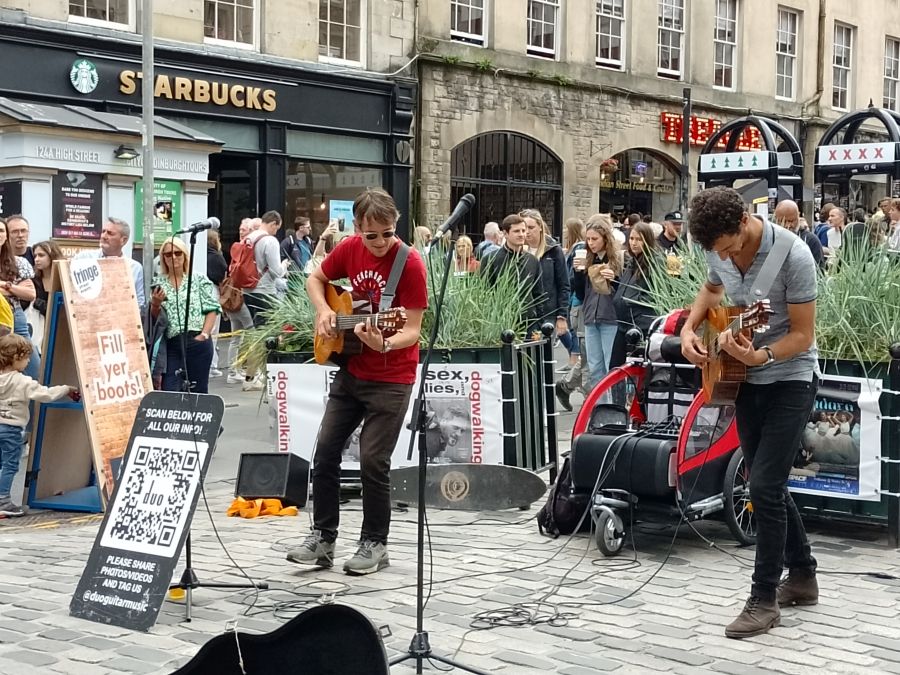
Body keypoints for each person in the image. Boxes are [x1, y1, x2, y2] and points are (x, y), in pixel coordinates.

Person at [679, 186, 818, 640]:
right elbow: (711, 288)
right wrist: (690, 327)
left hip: (790, 377)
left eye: (728, 246)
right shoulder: (718, 249)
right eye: (715, 251)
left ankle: (763, 599)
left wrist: (764, 357)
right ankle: (803, 575)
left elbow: (801, 334)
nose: (724, 255)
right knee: (766, 479)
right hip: (743, 379)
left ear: (743, 222)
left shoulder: (793, 256)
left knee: (762, 484)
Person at [286, 188, 427, 575]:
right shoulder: (349, 248)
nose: (381, 242)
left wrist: (383, 341)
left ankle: (375, 543)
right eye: (373, 235)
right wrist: (324, 313)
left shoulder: (410, 263)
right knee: (326, 451)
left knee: (372, 461)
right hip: (351, 370)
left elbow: (411, 328)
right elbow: (316, 279)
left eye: (388, 232)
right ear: (359, 229)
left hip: (392, 377)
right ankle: (323, 537)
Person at [0, 334, 77, 517]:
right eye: (26, 358)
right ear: (17, 358)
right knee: (10, 465)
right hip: (12, 429)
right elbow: (46, 394)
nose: (28, 362)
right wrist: (65, 388)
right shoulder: (23, 381)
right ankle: (3, 501)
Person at [555, 214, 621, 411]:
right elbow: (581, 293)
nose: (591, 243)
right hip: (591, 316)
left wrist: (614, 279)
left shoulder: (617, 259)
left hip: (611, 318)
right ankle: (600, 410)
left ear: (605, 238)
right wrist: (577, 272)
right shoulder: (586, 257)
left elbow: (622, 292)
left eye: (595, 239)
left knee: (610, 366)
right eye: (588, 239)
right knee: (594, 367)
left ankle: (613, 409)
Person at [151, 237, 220, 395]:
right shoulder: (159, 282)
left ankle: (198, 419)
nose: (173, 257)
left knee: (198, 390)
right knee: (170, 389)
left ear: (185, 256)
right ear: (163, 258)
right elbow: (155, 319)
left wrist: (204, 334)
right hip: (172, 343)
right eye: (168, 254)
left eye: (177, 253)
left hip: (197, 339)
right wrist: (155, 304)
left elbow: (212, 308)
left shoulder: (198, 278)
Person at [242, 210, 287, 391]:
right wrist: (284, 266)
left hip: (248, 290)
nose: (277, 231)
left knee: (256, 333)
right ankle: (262, 375)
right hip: (265, 290)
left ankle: (250, 376)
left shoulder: (249, 238)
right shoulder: (269, 240)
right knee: (267, 335)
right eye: (277, 227)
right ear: (273, 223)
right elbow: (276, 272)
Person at [481, 213, 546, 334]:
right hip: (501, 323)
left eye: (523, 230)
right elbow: (485, 293)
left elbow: (538, 294)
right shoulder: (491, 260)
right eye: (516, 231)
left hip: (529, 322)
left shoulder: (532, 261)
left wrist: (540, 323)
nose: (521, 234)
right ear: (505, 233)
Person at [76, 218, 146, 308]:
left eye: (110, 233)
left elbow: (139, 303)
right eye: (103, 231)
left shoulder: (134, 268)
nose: (104, 236)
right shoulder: (83, 259)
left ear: (123, 240)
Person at [0, 219, 38, 380]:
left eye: (1, 231)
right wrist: (14, 287)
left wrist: (5, 286)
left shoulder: (18, 262)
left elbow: (30, 294)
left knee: (32, 366)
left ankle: (24, 406)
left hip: (15, 316)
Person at [521, 208, 569, 338]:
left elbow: (563, 284)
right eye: (524, 228)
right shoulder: (519, 250)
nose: (527, 232)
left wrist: (562, 315)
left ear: (540, 227)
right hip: (523, 312)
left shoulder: (553, 250)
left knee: (544, 353)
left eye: (531, 227)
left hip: (548, 312)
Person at [29, 240, 64, 348]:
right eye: (35, 256)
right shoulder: (33, 280)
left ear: (52, 255)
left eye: (41, 255)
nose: (37, 259)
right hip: (40, 328)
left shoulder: (64, 278)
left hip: (61, 327)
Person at [774, 200, 824, 268]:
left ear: (798, 216)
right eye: (782, 221)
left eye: (791, 221)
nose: (787, 225)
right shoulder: (772, 239)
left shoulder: (811, 240)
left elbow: (819, 271)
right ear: (775, 218)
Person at [206, 230, 228, 378]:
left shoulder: (201, 255)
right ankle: (212, 365)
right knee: (213, 330)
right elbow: (223, 277)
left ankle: (207, 364)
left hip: (203, 290)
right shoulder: (217, 257)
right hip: (214, 291)